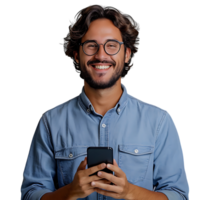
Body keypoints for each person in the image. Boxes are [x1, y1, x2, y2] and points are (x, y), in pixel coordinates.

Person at [19, 4, 190, 200]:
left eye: (111, 45)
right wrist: (70, 192)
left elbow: (179, 196)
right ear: (77, 54)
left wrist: (129, 192)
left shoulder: (160, 122)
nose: (101, 55)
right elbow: (29, 195)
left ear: (126, 54)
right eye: (91, 45)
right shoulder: (51, 122)